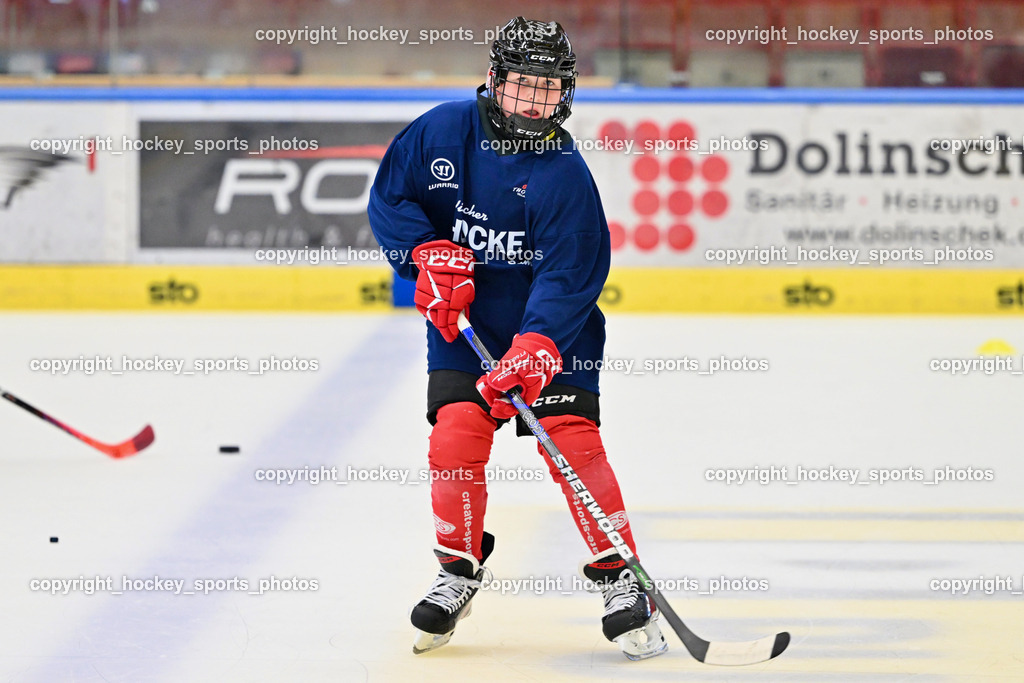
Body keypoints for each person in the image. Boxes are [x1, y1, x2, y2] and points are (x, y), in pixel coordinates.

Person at [367, 16, 667, 661]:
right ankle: (457, 569)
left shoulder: (563, 172)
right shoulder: (441, 131)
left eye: (548, 87)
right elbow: (391, 198)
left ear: (567, 92)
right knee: (454, 440)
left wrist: (537, 344)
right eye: (523, 85)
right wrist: (424, 254)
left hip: (555, 331)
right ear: (494, 80)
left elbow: (571, 270)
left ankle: (623, 580)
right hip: (466, 323)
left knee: (573, 445)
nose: (534, 101)